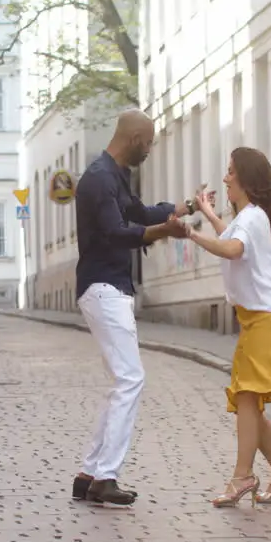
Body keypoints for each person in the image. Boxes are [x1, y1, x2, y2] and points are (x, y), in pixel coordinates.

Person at [72, 109, 198, 506]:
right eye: (150, 142)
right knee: (130, 379)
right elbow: (116, 232)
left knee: (120, 382)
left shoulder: (115, 176)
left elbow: (140, 214)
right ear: (135, 140)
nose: (150, 149)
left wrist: (187, 206)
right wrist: (166, 231)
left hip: (109, 288)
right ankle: (104, 477)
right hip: (104, 287)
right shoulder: (99, 179)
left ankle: (90, 472)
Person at [181, 147, 271, 508]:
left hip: (269, 318)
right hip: (261, 318)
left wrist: (191, 235)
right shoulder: (249, 217)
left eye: (229, 172)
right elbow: (230, 237)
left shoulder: (253, 218)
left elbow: (232, 250)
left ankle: (242, 477)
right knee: (247, 401)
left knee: (246, 398)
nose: (224, 179)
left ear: (244, 178)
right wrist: (207, 213)